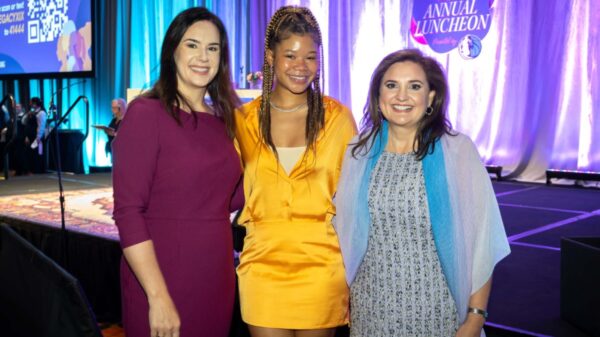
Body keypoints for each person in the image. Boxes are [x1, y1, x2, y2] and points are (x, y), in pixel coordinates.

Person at [333, 49, 511, 337]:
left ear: (430, 97)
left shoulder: (457, 151)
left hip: (436, 314)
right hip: (370, 312)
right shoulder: (359, 150)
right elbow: (344, 232)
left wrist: (475, 317)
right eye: (391, 85)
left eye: (414, 86)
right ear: (378, 95)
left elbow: (482, 240)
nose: (401, 96)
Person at [112, 7, 243, 337]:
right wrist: (157, 296)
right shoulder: (146, 113)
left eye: (213, 48)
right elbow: (128, 212)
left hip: (216, 274)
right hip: (160, 276)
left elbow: (229, 199)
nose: (203, 57)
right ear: (172, 50)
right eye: (192, 45)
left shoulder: (225, 121)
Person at [234, 6, 357, 337]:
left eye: (310, 57)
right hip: (261, 268)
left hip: (322, 268)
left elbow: (357, 199)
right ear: (271, 57)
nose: (302, 67)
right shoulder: (243, 121)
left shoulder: (337, 119)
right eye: (290, 55)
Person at [23, 97, 47, 174]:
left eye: (31, 102)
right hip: (30, 136)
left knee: (38, 154)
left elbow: (41, 126)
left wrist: (38, 137)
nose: (30, 104)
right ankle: (32, 170)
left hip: (36, 137)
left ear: (35, 104)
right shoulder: (32, 112)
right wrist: (27, 114)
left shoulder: (41, 113)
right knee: (31, 154)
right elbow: (24, 122)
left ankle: (38, 171)